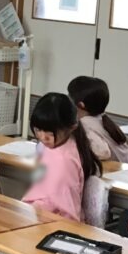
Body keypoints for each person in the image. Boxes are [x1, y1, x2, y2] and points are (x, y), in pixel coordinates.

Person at [22, 92, 101, 221]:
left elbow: (68, 214)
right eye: (38, 130)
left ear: (71, 128)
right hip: (40, 215)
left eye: (50, 133)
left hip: (52, 222)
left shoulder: (65, 161)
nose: (43, 137)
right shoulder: (58, 146)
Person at [67, 75, 128, 163]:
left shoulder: (85, 125)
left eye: (69, 97)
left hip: (113, 170)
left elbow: (103, 152)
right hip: (124, 168)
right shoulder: (101, 118)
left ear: (81, 105)